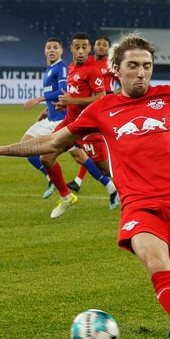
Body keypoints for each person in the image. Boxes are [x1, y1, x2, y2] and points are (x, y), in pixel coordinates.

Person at [0, 33, 170, 339]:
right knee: (155, 263)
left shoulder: (169, 96)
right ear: (117, 69)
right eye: (133, 66)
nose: (141, 72)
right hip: (139, 205)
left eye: (147, 66)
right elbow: (52, 144)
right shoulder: (103, 109)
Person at [44, 32, 119, 218]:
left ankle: (139, 188)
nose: (80, 51)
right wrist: (65, 103)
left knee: (105, 169)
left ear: (89, 49)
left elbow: (101, 97)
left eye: (84, 47)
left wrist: (74, 100)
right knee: (46, 157)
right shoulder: (71, 67)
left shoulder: (93, 69)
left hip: (89, 126)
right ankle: (66, 196)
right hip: (70, 123)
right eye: (76, 47)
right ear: (71, 48)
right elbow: (73, 96)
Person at [67, 35, 118, 193]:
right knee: (87, 147)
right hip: (85, 106)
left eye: (104, 45)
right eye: (99, 44)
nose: (101, 47)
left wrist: (113, 96)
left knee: (100, 148)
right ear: (93, 47)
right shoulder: (86, 63)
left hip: (104, 105)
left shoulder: (110, 65)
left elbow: (124, 84)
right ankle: (79, 180)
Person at [22, 37, 68, 199]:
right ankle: (51, 179)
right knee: (25, 148)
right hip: (50, 118)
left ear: (61, 50)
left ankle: (111, 187)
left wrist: (40, 99)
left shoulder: (61, 68)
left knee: (82, 156)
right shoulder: (49, 69)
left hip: (61, 121)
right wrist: (46, 110)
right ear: (44, 50)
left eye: (55, 47)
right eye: (49, 47)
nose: (52, 50)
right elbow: (53, 95)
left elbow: (63, 92)